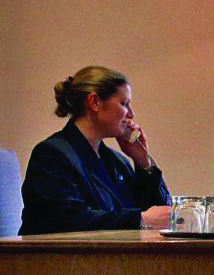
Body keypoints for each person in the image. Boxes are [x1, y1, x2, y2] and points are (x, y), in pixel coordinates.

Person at [20, 65, 172, 234]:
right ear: (94, 102)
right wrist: (141, 219)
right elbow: (66, 220)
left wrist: (143, 163)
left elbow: (159, 215)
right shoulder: (51, 155)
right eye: (124, 104)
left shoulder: (117, 161)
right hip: (58, 258)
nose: (131, 113)